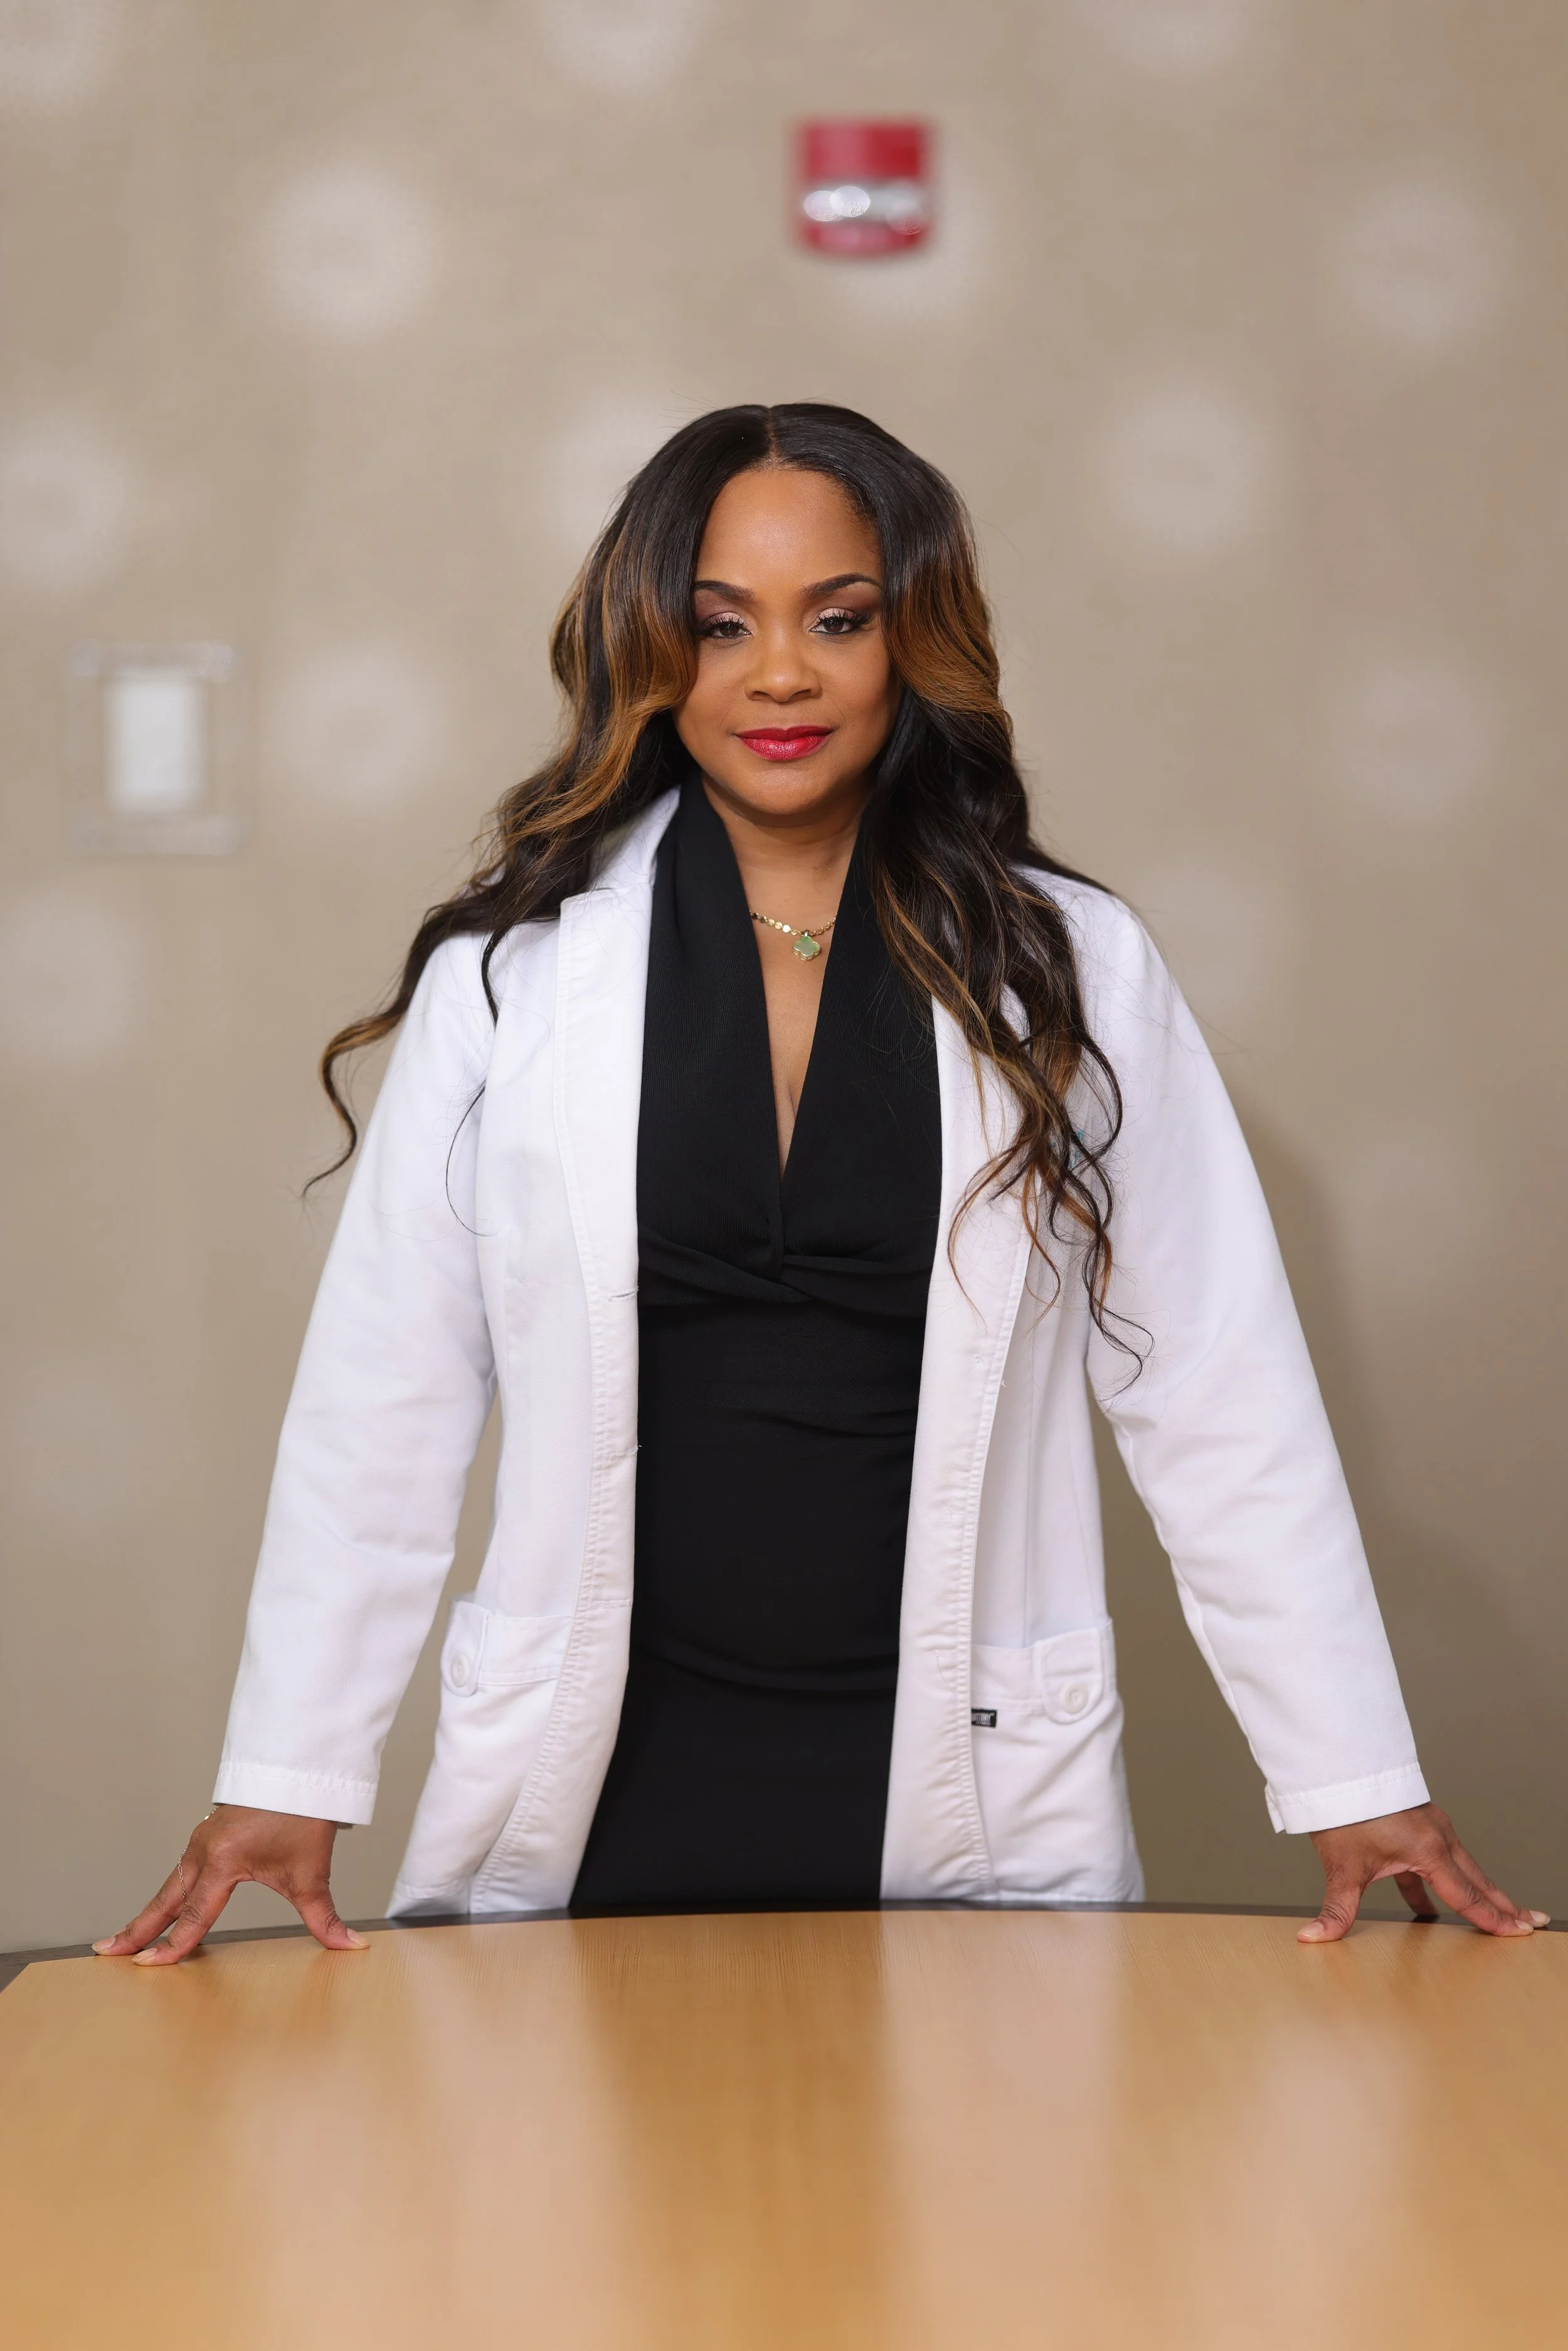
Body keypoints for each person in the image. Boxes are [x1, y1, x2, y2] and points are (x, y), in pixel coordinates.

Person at [97, 403, 1544, 1965]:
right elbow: (381, 1402)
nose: (777, 674)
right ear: (649, 651)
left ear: (908, 637)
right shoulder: (512, 981)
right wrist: (288, 1772)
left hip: (961, 1779)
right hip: (596, 1778)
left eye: (835, 620)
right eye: (719, 626)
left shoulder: (1067, 969)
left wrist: (1350, 1774)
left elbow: (1216, 1389)